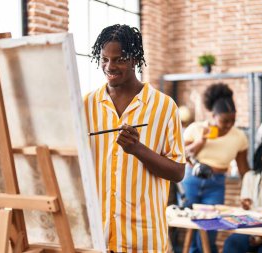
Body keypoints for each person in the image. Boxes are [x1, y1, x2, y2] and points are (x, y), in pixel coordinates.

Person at [84, 24, 186, 252]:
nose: (110, 67)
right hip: (96, 237)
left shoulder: (164, 107)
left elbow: (178, 172)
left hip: (142, 238)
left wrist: (138, 149)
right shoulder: (86, 105)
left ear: (135, 60)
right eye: (104, 59)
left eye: (119, 59)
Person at [182, 83, 249, 253]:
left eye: (232, 120)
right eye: (224, 121)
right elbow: (181, 155)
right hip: (191, 181)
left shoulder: (239, 137)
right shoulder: (195, 129)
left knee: (209, 229)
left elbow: (243, 169)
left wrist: (248, 192)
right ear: (213, 115)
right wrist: (201, 141)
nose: (229, 125)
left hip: (216, 185)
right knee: (191, 226)